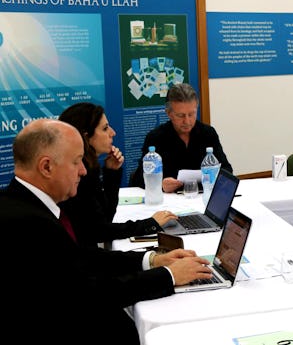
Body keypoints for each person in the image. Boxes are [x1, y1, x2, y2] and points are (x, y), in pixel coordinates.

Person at [0, 119, 212, 344]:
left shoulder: (20, 204)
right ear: (46, 167)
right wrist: (169, 276)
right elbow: (89, 294)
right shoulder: (27, 224)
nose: (82, 171)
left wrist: (152, 260)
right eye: (76, 162)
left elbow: (80, 257)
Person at [58, 102, 177, 248]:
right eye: (105, 128)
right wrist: (149, 224)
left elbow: (105, 217)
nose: (112, 133)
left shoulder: (90, 168)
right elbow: (100, 230)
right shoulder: (77, 176)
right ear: (86, 136)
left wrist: (111, 172)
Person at [130, 83, 232, 193]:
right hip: (169, 202)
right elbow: (139, 178)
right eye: (181, 115)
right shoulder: (155, 138)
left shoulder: (208, 133)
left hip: (202, 197)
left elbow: (227, 170)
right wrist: (160, 184)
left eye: (191, 114)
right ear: (169, 113)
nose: (187, 121)